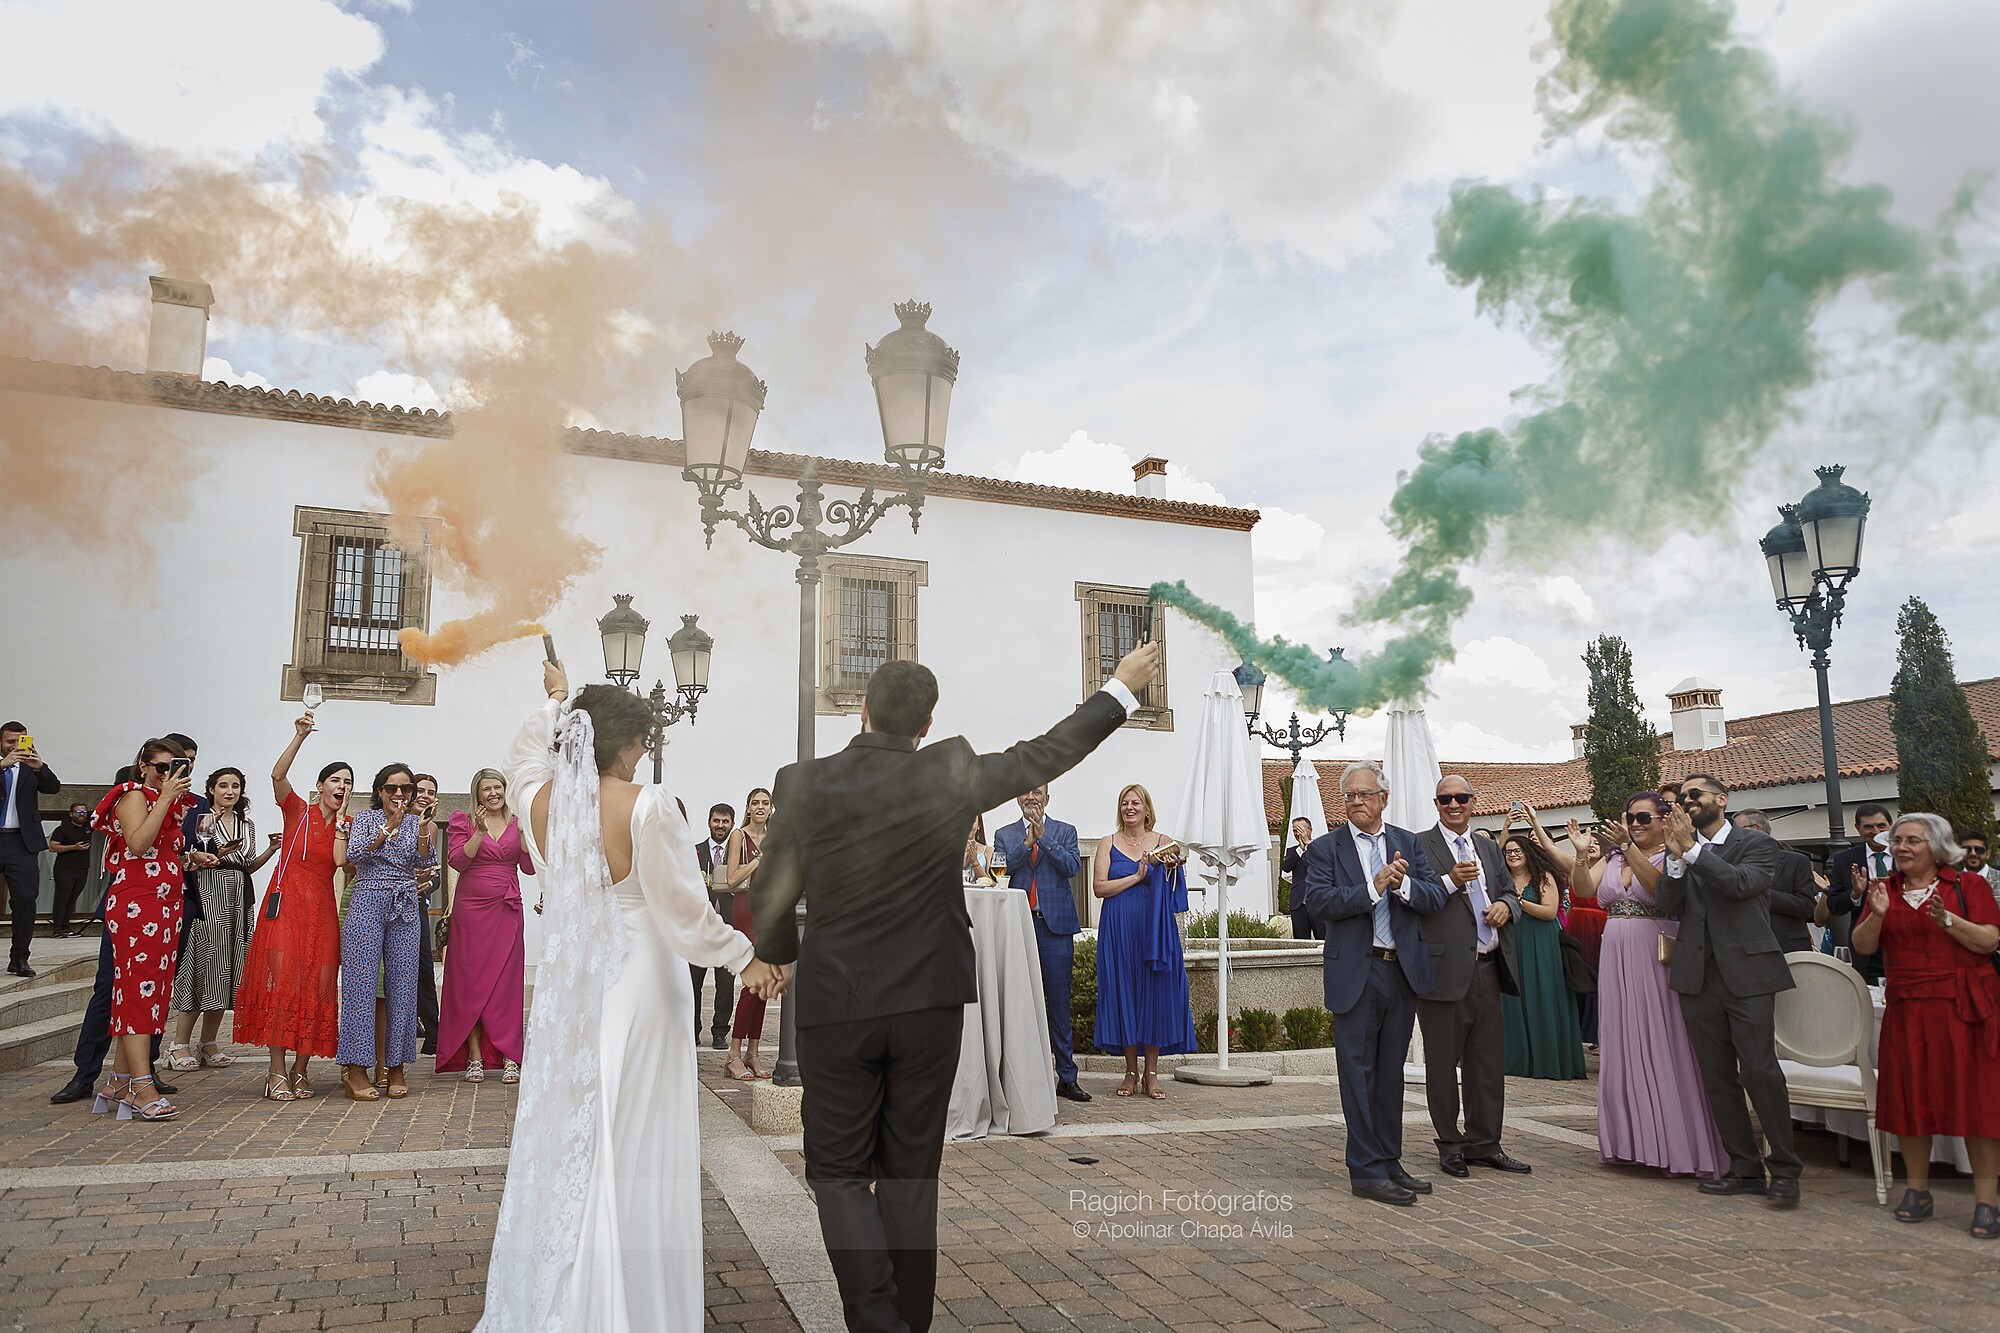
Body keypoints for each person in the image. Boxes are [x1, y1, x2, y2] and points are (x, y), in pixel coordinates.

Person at [754, 644, 1157, 1333]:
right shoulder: (950, 769)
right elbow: (1046, 753)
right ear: (927, 723)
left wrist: (776, 952)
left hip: (836, 999)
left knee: (839, 1171)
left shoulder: (802, 781)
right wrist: (1119, 690)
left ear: (862, 710)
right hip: (929, 998)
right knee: (912, 1172)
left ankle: (877, 1319)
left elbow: (773, 884)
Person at [477, 659, 777, 1333]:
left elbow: (524, 752)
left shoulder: (536, 799)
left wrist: (556, 700)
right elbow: (684, 911)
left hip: (577, 984)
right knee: (636, 1133)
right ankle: (630, 1301)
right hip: (643, 980)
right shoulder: (648, 804)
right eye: (642, 740)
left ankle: (574, 1282)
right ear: (621, 743)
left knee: (582, 1124)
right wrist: (744, 956)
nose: (646, 750)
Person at [1297, 759, 1448, 1207]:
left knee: (1389, 1075)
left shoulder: (1406, 842)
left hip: (1400, 970)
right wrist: (1372, 888)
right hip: (1356, 973)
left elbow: (1435, 895)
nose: (1356, 802)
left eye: (1364, 794)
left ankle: (1388, 1160)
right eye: (1349, 796)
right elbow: (1318, 902)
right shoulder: (1327, 848)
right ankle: (1364, 1171)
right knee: (1357, 1075)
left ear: (1384, 799)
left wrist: (1402, 888)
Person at [1850, 813, 2000, 1238]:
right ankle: (1918, 1191)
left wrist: (1947, 921)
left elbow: (1989, 941)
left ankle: (1987, 1202)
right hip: (1908, 1008)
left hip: (1963, 1008)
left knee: (1977, 1104)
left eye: (1911, 840)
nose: (1900, 847)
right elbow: (1862, 946)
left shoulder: (1967, 886)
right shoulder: (1884, 889)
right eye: (1896, 840)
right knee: (1912, 1100)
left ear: (1937, 847)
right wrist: (1876, 915)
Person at [1659, 773, 1801, 1208]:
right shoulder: (1682, 850)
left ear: (1722, 799)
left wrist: (1693, 851)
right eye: (1682, 797)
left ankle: (1786, 1170)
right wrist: (1676, 860)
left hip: (1748, 973)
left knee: (1759, 1070)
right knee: (1717, 1076)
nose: (1687, 801)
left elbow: (1742, 885)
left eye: (1695, 794)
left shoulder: (1756, 845)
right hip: (1697, 975)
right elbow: (1667, 903)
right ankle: (1744, 1168)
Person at [1575, 793, 1727, 1179]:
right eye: (1629, 817)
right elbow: (1585, 889)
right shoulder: (1611, 858)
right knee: (1622, 1040)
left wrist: (1628, 847)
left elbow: (1660, 891)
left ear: (1664, 819)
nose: (1635, 823)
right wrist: (1580, 855)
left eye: (1643, 817)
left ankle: (1674, 1143)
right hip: (1615, 953)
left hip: (1656, 951)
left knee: (1663, 1040)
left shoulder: (1673, 855)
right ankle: (1631, 1143)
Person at [1415, 776, 1530, 1177]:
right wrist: (1451, 883)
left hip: (1488, 968)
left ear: (1472, 802)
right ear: (1436, 803)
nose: (1453, 804)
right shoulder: (1420, 846)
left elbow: (1512, 895)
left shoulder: (1486, 847)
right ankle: (1450, 1144)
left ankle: (1485, 1143)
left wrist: (1504, 906)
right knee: (1443, 1064)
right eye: (1446, 799)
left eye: (1460, 798)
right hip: (1442, 972)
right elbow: (1415, 900)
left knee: (1486, 1063)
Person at [236, 716, 349, 1101]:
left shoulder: (346, 824)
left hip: (321, 909)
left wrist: (341, 831)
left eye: (348, 782)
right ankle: (276, 1071)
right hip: (285, 906)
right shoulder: (298, 811)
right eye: (335, 780)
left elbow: (345, 864)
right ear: (320, 786)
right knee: (284, 984)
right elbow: (277, 775)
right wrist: (299, 736)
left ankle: (302, 1071)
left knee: (318, 986)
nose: (342, 786)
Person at [89, 738, 199, 1120]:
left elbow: (163, 850)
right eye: (161, 767)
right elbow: (137, 844)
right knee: (137, 988)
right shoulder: (133, 795)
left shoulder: (174, 805)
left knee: (150, 989)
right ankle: (141, 1085)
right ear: (144, 766)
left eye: (177, 767)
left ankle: (119, 1079)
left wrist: (189, 856)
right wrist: (165, 798)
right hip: (137, 903)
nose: (168, 774)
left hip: (167, 904)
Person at [166, 768, 279, 1070]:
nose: (230, 791)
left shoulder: (247, 824)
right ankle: (178, 1044)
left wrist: (272, 848)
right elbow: (184, 858)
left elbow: (247, 866)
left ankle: (209, 1042)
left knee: (227, 969)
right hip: (207, 894)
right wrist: (212, 852)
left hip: (237, 900)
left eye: (236, 786)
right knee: (201, 965)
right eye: (223, 786)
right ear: (211, 789)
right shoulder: (201, 818)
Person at [338, 763, 435, 1100]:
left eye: (406, 789)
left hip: (405, 903)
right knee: (360, 985)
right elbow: (353, 855)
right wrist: (386, 829)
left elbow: (424, 863)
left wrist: (421, 829)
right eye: (392, 788)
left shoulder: (417, 822)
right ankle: (355, 1068)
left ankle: (395, 1066)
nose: (399, 794)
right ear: (379, 791)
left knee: (403, 986)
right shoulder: (365, 820)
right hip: (366, 900)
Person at [1092, 783, 1196, 1100]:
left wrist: (1170, 865)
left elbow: (1177, 868)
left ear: (1147, 808)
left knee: (1155, 994)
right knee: (1123, 994)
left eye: (1136, 803)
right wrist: (1136, 878)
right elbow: (1098, 888)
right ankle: (1129, 1072)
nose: (1130, 807)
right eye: (1125, 803)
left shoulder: (1164, 843)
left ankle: (1152, 1074)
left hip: (1155, 929)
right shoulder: (1107, 843)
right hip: (1119, 928)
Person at [993, 784, 1092, 1103]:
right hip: (1018, 926)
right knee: (1017, 1003)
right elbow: (1002, 870)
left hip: (1055, 929)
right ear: (1017, 798)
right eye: (1024, 792)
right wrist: (1027, 842)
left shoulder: (1065, 831)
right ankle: (1018, 1077)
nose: (1030, 797)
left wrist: (1044, 838)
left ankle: (1067, 1076)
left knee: (1059, 1004)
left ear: (1047, 799)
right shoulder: (1004, 834)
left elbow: (1073, 867)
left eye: (1037, 792)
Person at [440, 768, 532, 1084]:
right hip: (471, 910)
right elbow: (457, 862)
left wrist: (524, 839)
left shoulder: (518, 822)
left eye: (498, 787)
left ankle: (510, 1056)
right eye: (486, 789)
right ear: (476, 794)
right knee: (471, 984)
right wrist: (478, 832)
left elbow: (529, 868)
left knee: (506, 984)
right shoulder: (460, 821)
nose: (493, 793)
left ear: (505, 790)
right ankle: (475, 1058)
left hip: (507, 910)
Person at [1498, 832, 1586, 1080]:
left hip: (1541, 941)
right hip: (1512, 940)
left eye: (1518, 851)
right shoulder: (1501, 879)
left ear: (1528, 853)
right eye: (1508, 852)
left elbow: (1549, 912)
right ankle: (1516, 1059)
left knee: (1543, 994)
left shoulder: (1543, 877)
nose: (1513, 855)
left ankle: (1547, 1060)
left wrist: (1518, 902)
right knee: (1513, 998)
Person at [2, 722, 62, 977]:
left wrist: (39, 768)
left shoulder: (31, 767)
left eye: (21, 741)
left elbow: (53, 787)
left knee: (26, 900)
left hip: (21, 842)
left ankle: (19, 958)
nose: (16, 747)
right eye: (10, 742)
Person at [722, 787, 774, 1081]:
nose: (760, 807)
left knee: (765, 984)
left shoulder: (774, 838)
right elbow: (731, 880)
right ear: (748, 806)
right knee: (752, 982)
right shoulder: (739, 836)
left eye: (765, 803)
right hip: (746, 911)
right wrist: (758, 860)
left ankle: (753, 1053)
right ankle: (733, 1054)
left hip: (769, 912)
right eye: (755, 803)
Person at [1732, 810, 1816, 954]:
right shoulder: (1732, 864)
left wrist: (1759, 892)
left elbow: (1806, 907)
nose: (1734, 836)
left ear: (1757, 829)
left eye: (1738, 830)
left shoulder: (1796, 861)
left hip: (1787, 948)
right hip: (1744, 949)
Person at [1827, 803, 1894, 982]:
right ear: (1858, 829)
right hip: (1867, 951)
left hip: (1906, 946)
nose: (1875, 831)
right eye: (1868, 827)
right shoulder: (1845, 860)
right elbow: (1834, 906)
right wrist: (1855, 894)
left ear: (1890, 826)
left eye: (1881, 826)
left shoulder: (1908, 855)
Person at [690, 802, 736, 1050]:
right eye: (716, 821)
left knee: (726, 985)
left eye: (725, 821)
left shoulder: (735, 854)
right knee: (693, 983)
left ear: (732, 824)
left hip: (727, 928)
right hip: (699, 928)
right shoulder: (694, 852)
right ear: (709, 822)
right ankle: (693, 1029)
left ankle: (720, 1032)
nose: (720, 825)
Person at [414, 773, 445, 1056]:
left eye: (430, 792)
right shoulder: (390, 820)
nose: (425, 795)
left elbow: (432, 870)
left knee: (424, 965)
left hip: (417, 901)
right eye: (420, 789)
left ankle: (434, 1032)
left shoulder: (432, 827)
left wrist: (429, 883)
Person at [48, 801, 94, 937]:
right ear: (71, 814)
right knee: (62, 898)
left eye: (84, 812)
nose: (81, 815)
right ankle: (57, 928)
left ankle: (66, 927)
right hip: (65, 869)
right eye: (78, 812)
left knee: (72, 899)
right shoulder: (62, 829)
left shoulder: (87, 828)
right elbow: (52, 847)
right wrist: (74, 847)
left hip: (82, 868)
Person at [1282, 816, 1322, 942]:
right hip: (1299, 904)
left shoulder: (1320, 848)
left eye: (1299, 830)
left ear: (1309, 830)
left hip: (1318, 902)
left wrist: (1308, 846)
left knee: (1323, 939)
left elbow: (1318, 866)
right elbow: (1286, 867)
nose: (1296, 833)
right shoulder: (1292, 851)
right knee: (1300, 942)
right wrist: (1300, 849)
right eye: (1294, 831)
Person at [1957, 829, 1998, 902]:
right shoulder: (1953, 882)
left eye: (1979, 850)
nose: (1973, 853)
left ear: (1988, 854)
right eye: (1967, 849)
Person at [962, 815, 996, 885]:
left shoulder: (988, 851)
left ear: (978, 826)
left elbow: (992, 884)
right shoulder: (948, 850)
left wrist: (975, 863)